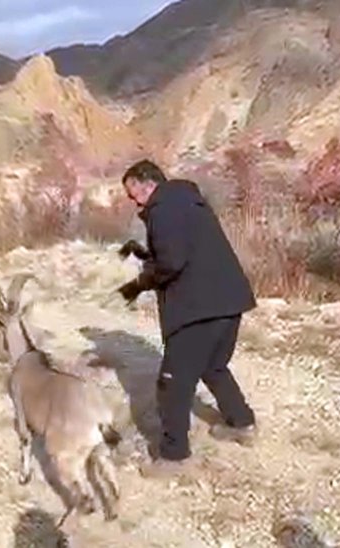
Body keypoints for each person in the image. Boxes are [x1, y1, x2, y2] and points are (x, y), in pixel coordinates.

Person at [115, 159, 258, 476]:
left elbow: (172, 261)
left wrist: (142, 281)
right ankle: (241, 423)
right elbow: (183, 249)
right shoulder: (189, 201)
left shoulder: (163, 210)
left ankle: (174, 456)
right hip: (229, 300)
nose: (133, 201)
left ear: (145, 183)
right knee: (214, 366)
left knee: (173, 384)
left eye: (132, 194)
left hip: (197, 308)